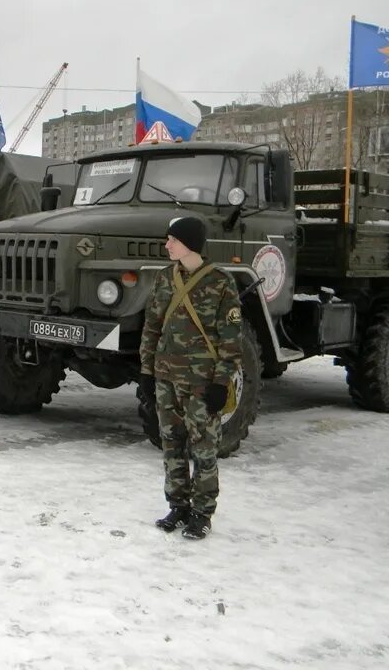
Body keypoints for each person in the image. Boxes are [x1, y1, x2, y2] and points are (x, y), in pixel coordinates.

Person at [138, 217, 243, 540]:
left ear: (189, 244)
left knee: (204, 448)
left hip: (201, 381)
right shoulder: (165, 278)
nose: (167, 245)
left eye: (172, 240)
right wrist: (146, 372)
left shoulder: (221, 283)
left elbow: (231, 341)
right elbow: (152, 327)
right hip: (166, 376)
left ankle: (202, 512)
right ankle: (178, 505)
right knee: (171, 444)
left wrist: (220, 383)